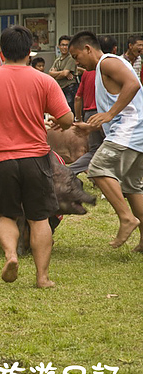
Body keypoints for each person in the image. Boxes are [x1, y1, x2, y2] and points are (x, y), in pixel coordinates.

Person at [0, 25, 73, 288]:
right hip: (36, 158)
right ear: (30, 51)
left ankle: (11, 255)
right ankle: (42, 278)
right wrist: (57, 122)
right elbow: (67, 118)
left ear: (0, 50)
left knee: (4, 216)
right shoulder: (44, 80)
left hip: (1, 158)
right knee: (38, 218)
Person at [69, 31, 143, 252]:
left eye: (76, 56)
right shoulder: (101, 69)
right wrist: (90, 125)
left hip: (130, 130)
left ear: (88, 49)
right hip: (134, 132)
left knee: (98, 168)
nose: (76, 62)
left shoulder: (107, 63)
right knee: (132, 186)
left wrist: (110, 114)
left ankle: (126, 219)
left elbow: (133, 84)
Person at [49, 35, 79, 112]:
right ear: (59, 46)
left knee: (70, 111)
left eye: (67, 45)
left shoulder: (71, 58)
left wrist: (57, 74)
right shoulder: (57, 60)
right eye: (62, 45)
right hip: (60, 89)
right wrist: (61, 73)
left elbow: (65, 74)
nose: (64, 47)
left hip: (70, 88)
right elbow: (50, 73)